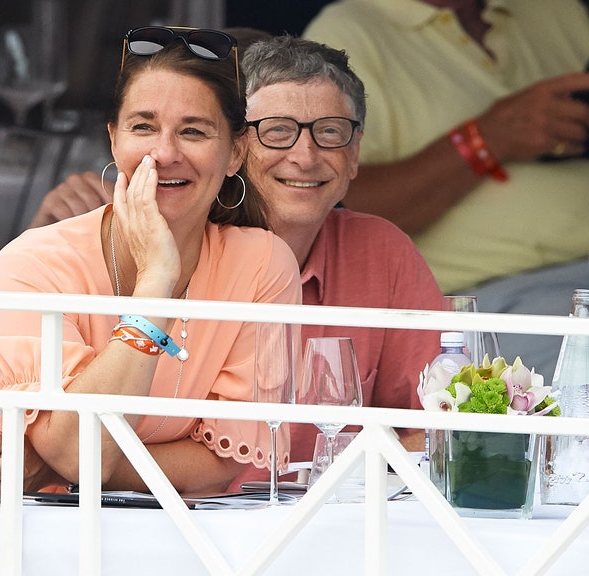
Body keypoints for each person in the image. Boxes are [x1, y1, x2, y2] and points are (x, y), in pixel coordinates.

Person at [0, 26, 302, 576]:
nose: (165, 152)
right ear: (113, 142)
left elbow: (220, 466)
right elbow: (83, 446)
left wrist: (62, 460)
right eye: (143, 127)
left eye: (195, 131)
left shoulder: (263, 265)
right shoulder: (34, 263)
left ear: (236, 153)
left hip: (123, 556)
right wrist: (156, 282)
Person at [23, 34, 444, 482]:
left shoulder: (383, 253)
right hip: (153, 526)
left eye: (330, 132)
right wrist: (71, 458)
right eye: (278, 130)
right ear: (234, 147)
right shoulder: (169, 245)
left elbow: (443, 425)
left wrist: (70, 463)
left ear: (354, 152)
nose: (305, 156)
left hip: (319, 530)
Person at [303, 0, 589, 381]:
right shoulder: (349, 30)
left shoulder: (556, 10)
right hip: (477, 304)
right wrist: (487, 138)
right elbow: (339, 202)